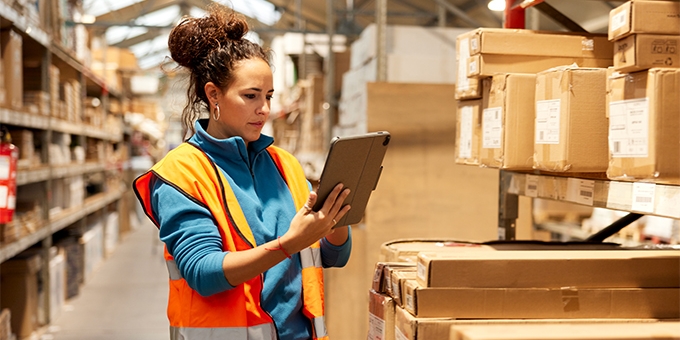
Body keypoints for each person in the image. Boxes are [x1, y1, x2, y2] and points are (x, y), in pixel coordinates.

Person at [133, 4, 352, 340]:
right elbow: (203, 272)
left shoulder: (285, 164)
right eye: (250, 96)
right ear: (213, 94)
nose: (264, 109)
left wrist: (333, 225)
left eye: (268, 96)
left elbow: (332, 256)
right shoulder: (181, 173)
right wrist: (289, 243)